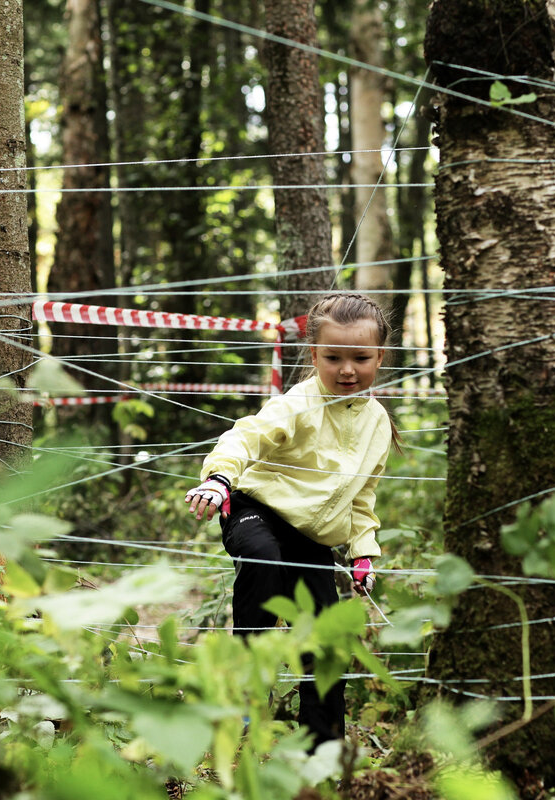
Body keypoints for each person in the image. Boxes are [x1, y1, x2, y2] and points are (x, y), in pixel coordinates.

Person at [184, 292, 397, 747]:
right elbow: (249, 435)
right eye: (333, 357)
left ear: (380, 356)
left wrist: (363, 554)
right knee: (262, 557)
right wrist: (219, 479)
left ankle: (323, 747)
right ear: (314, 354)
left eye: (360, 358)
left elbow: (363, 497)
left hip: (312, 537)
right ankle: (243, 686)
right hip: (255, 509)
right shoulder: (297, 402)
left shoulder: (377, 422)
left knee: (324, 639)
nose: (346, 369)